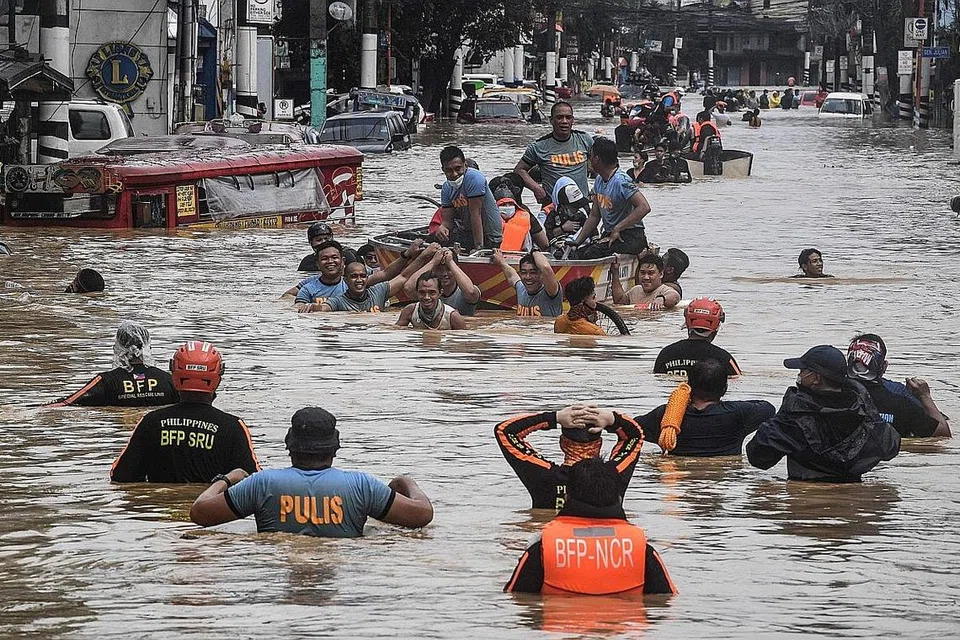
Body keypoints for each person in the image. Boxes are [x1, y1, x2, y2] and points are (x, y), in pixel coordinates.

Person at [190, 407, 433, 536]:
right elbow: (423, 515)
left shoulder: (262, 484)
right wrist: (406, 481)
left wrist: (227, 478)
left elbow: (200, 513)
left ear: (289, 445)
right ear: (335, 448)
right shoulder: (362, 486)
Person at [504, 458, 677, 595]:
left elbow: (516, 599)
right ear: (618, 499)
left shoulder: (542, 547)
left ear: (567, 498)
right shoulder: (642, 549)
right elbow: (665, 603)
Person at [109, 341, 261, 483]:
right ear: (217, 378)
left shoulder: (151, 422)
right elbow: (255, 481)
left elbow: (120, 476)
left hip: (160, 507)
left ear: (175, 375)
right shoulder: (233, 427)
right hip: (210, 509)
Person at [746, 345, 901, 482]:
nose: (799, 375)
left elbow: (758, 457)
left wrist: (784, 413)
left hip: (805, 497)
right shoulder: (862, 410)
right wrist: (870, 408)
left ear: (816, 378)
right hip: (851, 495)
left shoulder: (796, 414)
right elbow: (890, 447)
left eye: (802, 371)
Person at [494, 404, 645, 511]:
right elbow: (635, 435)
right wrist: (612, 419)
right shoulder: (615, 474)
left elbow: (505, 431)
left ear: (563, 443)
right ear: (599, 444)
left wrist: (554, 417)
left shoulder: (544, 475)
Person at [637, 359, 774, 456]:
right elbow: (768, 408)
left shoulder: (666, 415)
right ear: (724, 389)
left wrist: (680, 401)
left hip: (678, 482)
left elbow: (631, 427)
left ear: (689, 386)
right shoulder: (738, 414)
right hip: (724, 483)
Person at [46, 321, 179, 407]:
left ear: (119, 347)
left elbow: (67, 403)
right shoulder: (169, 380)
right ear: (146, 345)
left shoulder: (106, 381)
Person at [846, 334, 950, 437]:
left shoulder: (832, 395)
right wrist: (925, 396)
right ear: (884, 366)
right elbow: (942, 434)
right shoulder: (901, 400)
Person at [569, 137, 652, 259]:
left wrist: (618, 228)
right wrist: (577, 241)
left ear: (596, 159)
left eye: (590, 156)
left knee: (592, 253)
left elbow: (644, 207)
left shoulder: (621, 181)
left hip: (631, 236)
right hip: (610, 234)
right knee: (577, 253)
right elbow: (594, 216)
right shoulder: (599, 180)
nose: (589, 160)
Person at [294, 239, 424, 311]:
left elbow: (392, 274)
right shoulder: (310, 290)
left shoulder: (376, 291)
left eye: (334, 257)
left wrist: (410, 254)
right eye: (325, 259)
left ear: (342, 261)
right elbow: (301, 309)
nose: (330, 262)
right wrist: (312, 308)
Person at [515, 101, 594, 204]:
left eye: (568, 117)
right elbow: (519, 170)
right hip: (552, 207)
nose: (564, 121)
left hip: (581, 205)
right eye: (559, 117)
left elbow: (601, 165)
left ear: (572, 120)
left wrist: (597, 189)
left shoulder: (584, 140)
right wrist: (537, 189)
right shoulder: (539, 147)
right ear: (551, 120)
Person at [433, 146, 503, 251]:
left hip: (488, 236)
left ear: (465, 165)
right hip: (467, 233)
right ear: (443, 170)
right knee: (431, 240)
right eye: (449, 171)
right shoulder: (446, 188)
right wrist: (442, 227)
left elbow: (476, 215)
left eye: (458, 169)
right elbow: (447, 221)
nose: (455, 174)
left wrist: (479, 248)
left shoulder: (474, 178)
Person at [654, 298, 741, 375]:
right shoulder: (723, 358)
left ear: (687, 321)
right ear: (717, 325)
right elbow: (737, 379)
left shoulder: (666, 354)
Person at [403, 246, 481, 316]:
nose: (444, 274)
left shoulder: (465, 291)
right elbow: (408, 288)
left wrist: (450, 262)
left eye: (448, 269)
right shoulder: (427, 292)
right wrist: (433, 262)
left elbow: (471, 292)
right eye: (439, 269)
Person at [311, 259, 408, 313]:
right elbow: (324, 308)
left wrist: (418, 255)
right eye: (354, 277)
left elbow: (404, 276)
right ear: (345, 280)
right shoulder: (338, 301)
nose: (359, 280)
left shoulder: (378, 292)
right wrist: (314, 308)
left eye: (362, 276)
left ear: (367, 278)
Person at [493, 249, 562, 317]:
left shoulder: (551, 291)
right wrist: (501, 262)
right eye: (524, 272)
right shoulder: (521, 289)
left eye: (533, 272)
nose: (528, 277)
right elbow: (511, 275)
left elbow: (545, 267)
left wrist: (534, 251)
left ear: (541, 274)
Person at [489, 174, 549, 252]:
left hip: (511, 258)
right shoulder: (526, 214)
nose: (507, 207)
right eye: (503, 204)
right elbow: (544, 244)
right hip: (518, 259)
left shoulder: (484, 215)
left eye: (509, 204)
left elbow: (544, 243)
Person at [396, 271, 466, 330]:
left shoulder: (453, 316)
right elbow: (396, 333)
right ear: (417, 292)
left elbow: (463, 343)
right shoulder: (410, 311)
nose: (426, 297)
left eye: (432, 292)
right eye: (422, 292)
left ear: (440, 293)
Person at [611, 253, 679, 310]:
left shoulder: (664, 290)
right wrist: (615, 272)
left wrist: (662, 299)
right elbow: (619, 302)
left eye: (651, 273)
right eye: (642, 273)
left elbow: (675, 296)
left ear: (661, 274)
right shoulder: (636, 290)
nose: (646, 277)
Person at [544, 177, 591, 258]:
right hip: (560, 246)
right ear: (564, 205)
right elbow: (547, 232)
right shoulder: (553, 214)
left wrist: (596, 239)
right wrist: (562, 228)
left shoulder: (584, 211)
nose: (577, 208)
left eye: (579, 205)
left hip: (580, 244)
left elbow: (592, 227)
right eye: (574, 206)